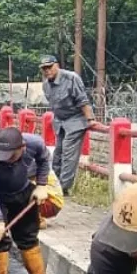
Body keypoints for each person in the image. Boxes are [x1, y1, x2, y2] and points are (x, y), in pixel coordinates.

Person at [0, 127, 66, 274]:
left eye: (10, 156)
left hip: (22, 188)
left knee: (28, 233)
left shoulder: (35, 143)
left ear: (22, 148)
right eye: (2, 157)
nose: (6, 161)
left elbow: (44, 160)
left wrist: (41, 185)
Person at [41, 54, 95, 192]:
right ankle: (53, 184)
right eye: (44, 68)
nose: (47, 71)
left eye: (50, 67)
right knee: (57, 154)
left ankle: (62, 188)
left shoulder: (71, 78)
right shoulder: (46, 84)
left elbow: (83, 100)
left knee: (68, 154)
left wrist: (90, 119)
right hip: (60, 121)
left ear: (57, 65)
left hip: (75, 120)